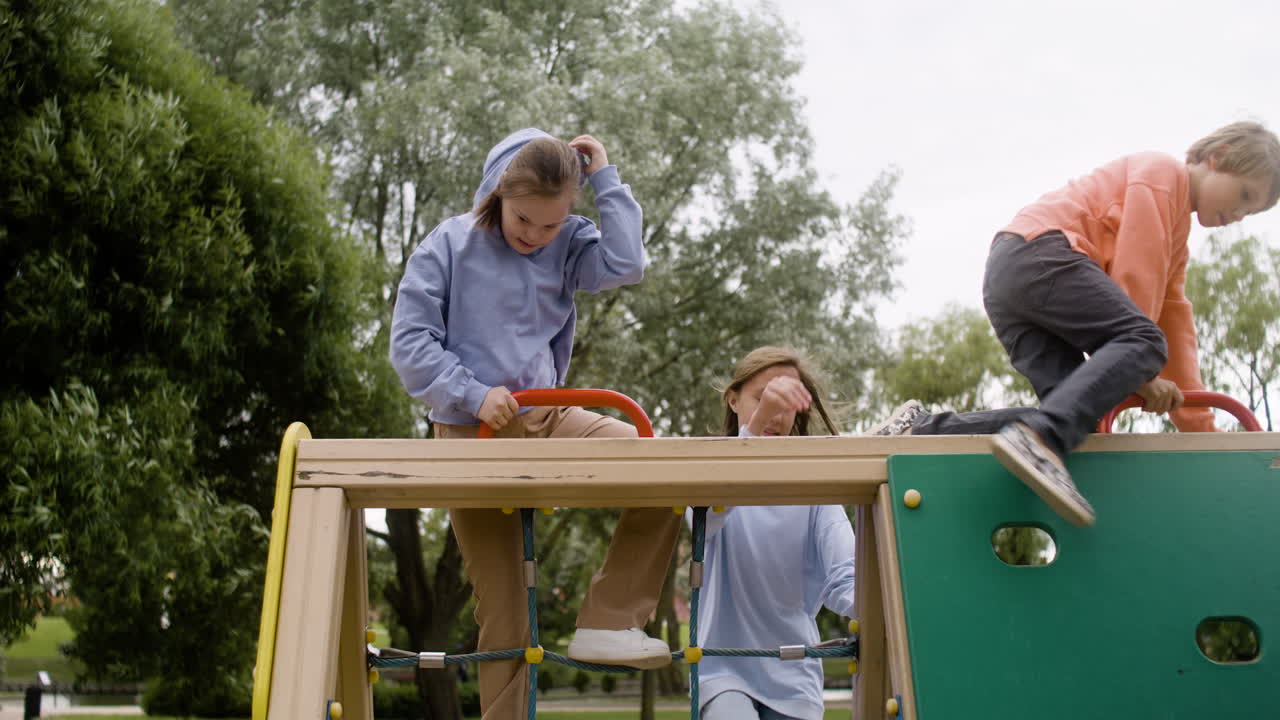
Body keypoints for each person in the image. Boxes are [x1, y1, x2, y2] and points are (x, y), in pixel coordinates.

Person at [390, 128, 681, 719]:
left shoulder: (568, 243)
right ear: (499, 192)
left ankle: (609, 618)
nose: (535, 236)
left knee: (663, 470)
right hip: (474, 433)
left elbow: (626, 264)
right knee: (504, 607)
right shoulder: (448, 244)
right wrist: (473, 395)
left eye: (551, 224)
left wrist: (605, 177)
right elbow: (410, 346)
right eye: (525, 219)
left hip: (549, 413)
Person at [875, 121, 1280, 528]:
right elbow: (1136, 281)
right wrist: (1139, 373)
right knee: (1139, 344)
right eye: (1245, 194)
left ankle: (923, 428)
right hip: (1040, 254)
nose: (1240, 214)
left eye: (1252, 211)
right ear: (1219, 156)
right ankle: (1040, 439)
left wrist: (1203, 435)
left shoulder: (1178, 239)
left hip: (1013, 277)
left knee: (1076, 418)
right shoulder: (1162, 175)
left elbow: (1176, 324)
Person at [691, 346, 856, 720]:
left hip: (793, 668)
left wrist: (896, 611)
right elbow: (706, 518)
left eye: (785, 403)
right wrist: (757, 423)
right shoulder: (707, 468)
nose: (776, 414)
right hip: (721, 668)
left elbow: (844, 577)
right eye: (763, 397)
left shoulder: (814, 487)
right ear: (733, 400)